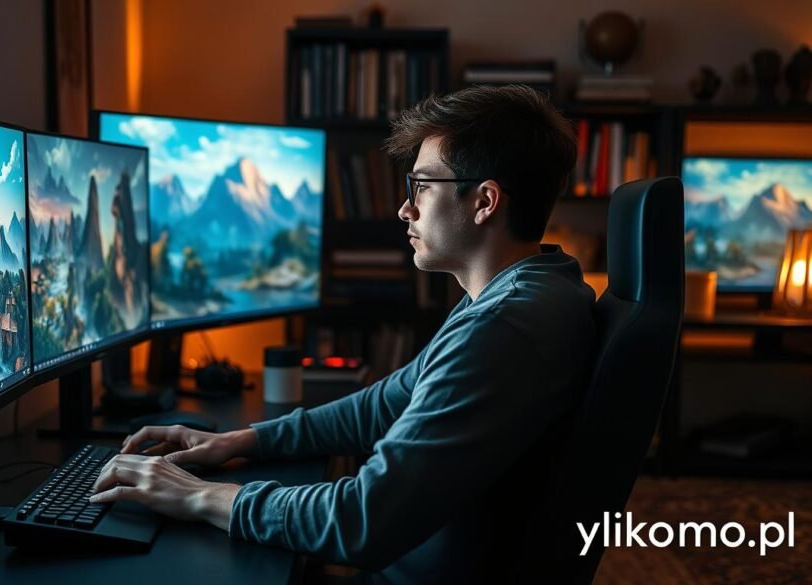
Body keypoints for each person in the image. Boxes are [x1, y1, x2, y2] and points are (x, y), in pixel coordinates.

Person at [90, 85, 596, 584]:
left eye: (421, 185)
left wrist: (194, 495)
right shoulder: (525, 291)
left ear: (485, 201)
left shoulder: (502, 326)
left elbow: (361, 521)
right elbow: (384, 405)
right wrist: (239, 441)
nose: (405, 209)